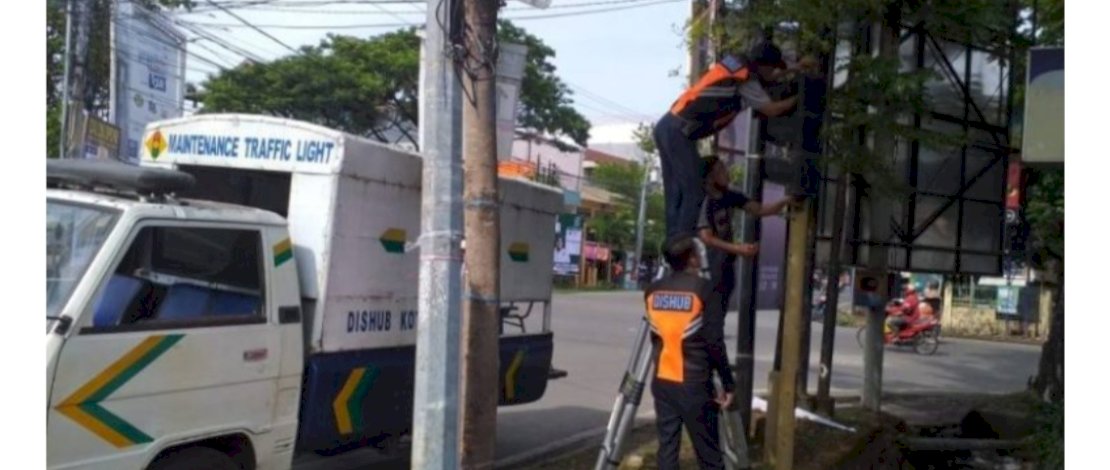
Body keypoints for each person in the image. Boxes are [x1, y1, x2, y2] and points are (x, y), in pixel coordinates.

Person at [655, 39, 811, 240]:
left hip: (668, 125)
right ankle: (683, 242)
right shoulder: (746, 81)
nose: (773, 74)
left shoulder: (735, 67)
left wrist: (796, 68)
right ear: (762, 65)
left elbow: (769, 76)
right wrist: (803, 98)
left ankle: (673, 241)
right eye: (772, 68)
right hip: (679, 132)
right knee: (693, 188)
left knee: (675, 191)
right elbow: (771, 109)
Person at [645, 235, 734, 470]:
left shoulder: (652, 291)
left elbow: (655, 336)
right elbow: (714, 341)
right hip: (695, 384)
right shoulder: (705, 289)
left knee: (667, 450)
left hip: (663, 380)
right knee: (709, 456)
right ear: (693, 258)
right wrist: (728, 383)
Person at [696, 156, 793, 327]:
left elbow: (761, 209)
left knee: (718, 317)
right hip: (707, 267)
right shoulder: (705, 200)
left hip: (725, 265)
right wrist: (737, 249)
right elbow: (706, 237)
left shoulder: (729, 196)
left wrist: (786, 200)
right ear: (710, 177)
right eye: (721, 170)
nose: (727, 173)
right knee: (709, 318)